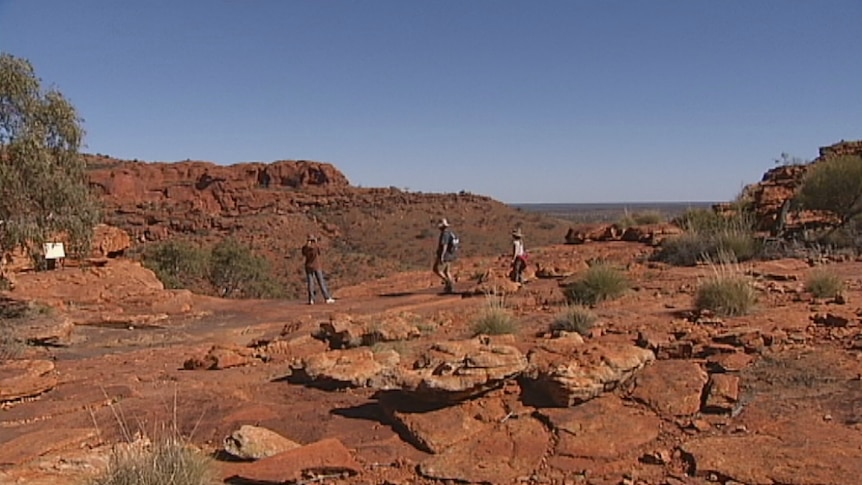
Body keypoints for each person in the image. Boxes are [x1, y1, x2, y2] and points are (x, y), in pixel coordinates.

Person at [302, 234, 335, 304]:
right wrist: (316, 242)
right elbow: (319, 252)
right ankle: (327, 297)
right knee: (321, 282)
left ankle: (311, 299)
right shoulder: (315, 248)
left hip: (308, 266)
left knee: (310, 283)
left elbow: (303, 253)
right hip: (316, 266)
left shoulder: (305, 248)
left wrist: (307, 244)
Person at [433, 218, 457, 293]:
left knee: (436, 269)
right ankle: (449, 287)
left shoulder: (444, 234)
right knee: (447, 271)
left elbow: (444, 245)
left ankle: (449, 283)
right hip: (450, 255)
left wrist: (442, 256)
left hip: (445, 255)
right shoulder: (450, 233)